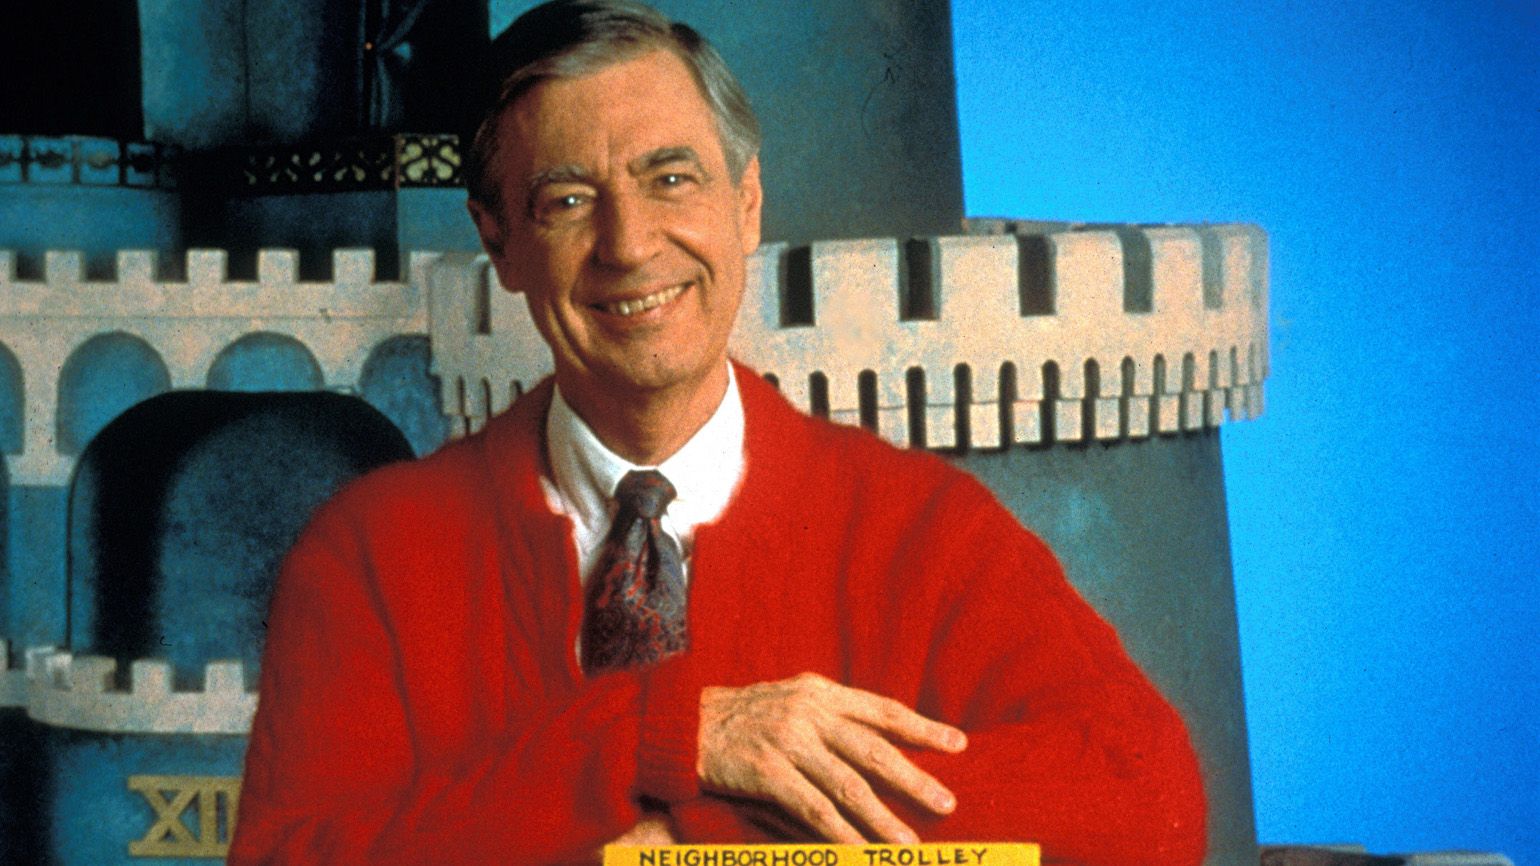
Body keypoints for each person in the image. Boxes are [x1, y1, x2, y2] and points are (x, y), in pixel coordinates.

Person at [229, 1, 1207, 863]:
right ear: (499, 240)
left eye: (671, 178)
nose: (629, 244)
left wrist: (705, 835)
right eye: (568, 200)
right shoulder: (368, 554)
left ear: (745, 205)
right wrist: (655, 736)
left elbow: (1148, 799)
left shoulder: (918, 527)